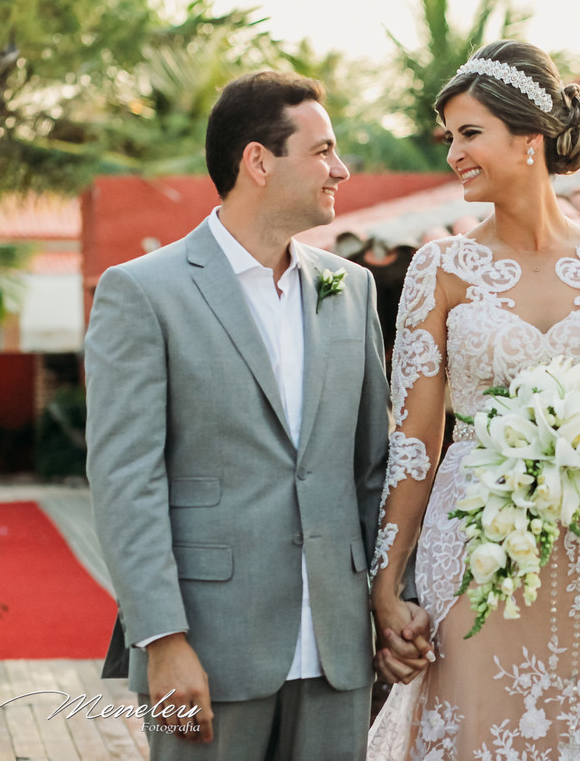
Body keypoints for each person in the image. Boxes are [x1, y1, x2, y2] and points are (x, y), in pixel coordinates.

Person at [366, 40, 580, 760]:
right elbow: (418, 441)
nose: (454, 153)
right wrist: (385, 581)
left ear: (530, 138)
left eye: (469, 133)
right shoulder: (441, 269)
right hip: (478, 548)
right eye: (449, 137)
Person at [85, 71, 429, 760]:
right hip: (209, 648)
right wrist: (164, 639)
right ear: (258, 160)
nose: (342, 168)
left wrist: (392, 596)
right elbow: (128, 481)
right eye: (323, 150)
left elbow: (370, 464)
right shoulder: (143, 293)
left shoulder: (350, 289)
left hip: (337, 653)